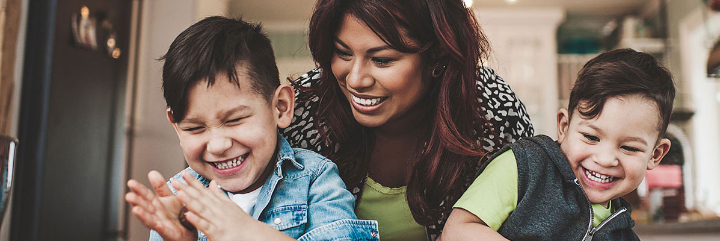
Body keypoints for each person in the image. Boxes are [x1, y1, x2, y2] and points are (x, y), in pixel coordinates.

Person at [281, 0, 534, 240]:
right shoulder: (305, 109)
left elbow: (536, 207)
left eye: (382, 60)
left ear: (437, 54)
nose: (355, 80)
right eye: (343, 53)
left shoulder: (491, 106)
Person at [124, 16, 379, 241]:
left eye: (234, 120)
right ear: (176, 127)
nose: (218, 145)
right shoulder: (179, 201)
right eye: (194, 128)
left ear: (280, 107)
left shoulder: (315, 180)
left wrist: (250, 233)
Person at [441, 48, 675, 240]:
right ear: (564, 126)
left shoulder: (623, 234)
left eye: (629, 148)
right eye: (591, 137)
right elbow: (456, 232)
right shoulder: (524, 166)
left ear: (655, 155)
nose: (604, 159)